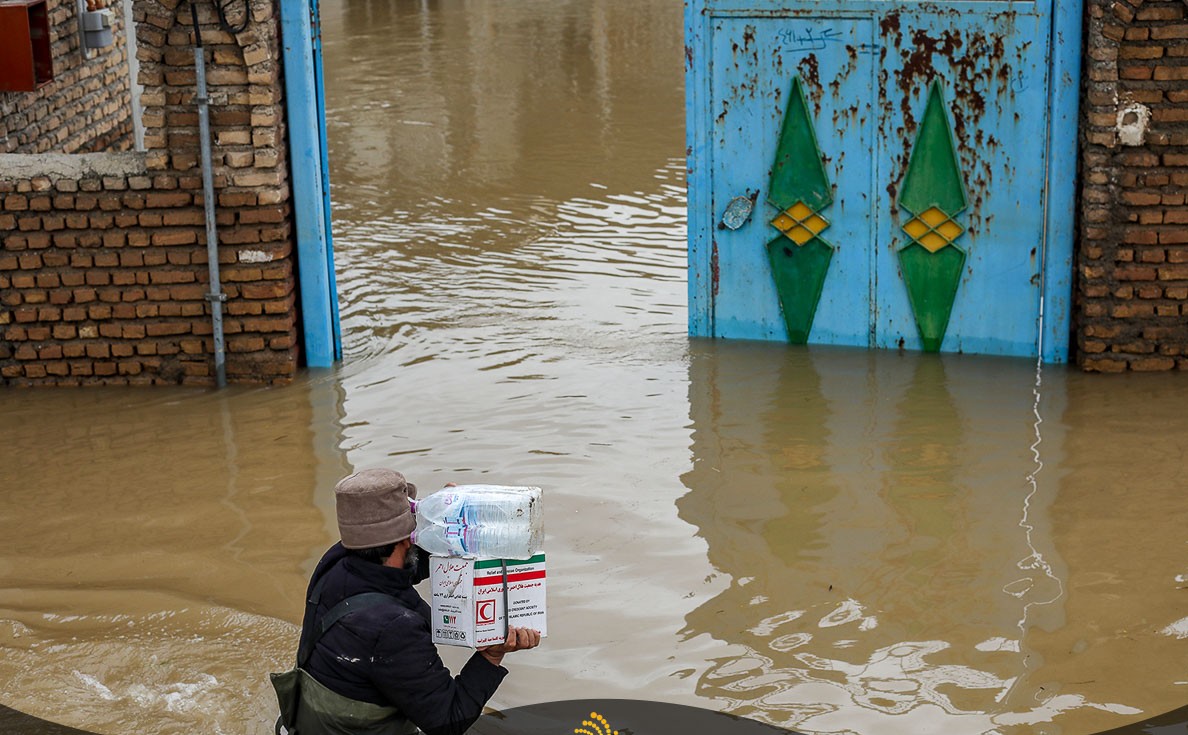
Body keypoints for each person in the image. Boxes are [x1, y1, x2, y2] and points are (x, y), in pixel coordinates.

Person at [278, 468, 541, 735]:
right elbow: (448, 719)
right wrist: (491, 655)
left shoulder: (338, 561)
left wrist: (449, 523)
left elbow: (407, 565)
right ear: (407, 538)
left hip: (312, 719)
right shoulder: (392, 627)